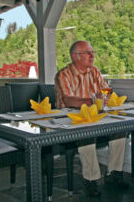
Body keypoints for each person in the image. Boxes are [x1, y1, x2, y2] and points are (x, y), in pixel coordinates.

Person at [55, 40, 128, 197]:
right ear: (75, 56)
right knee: (86, 134)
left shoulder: (94, 71)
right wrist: (91, 101)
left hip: (94, 115)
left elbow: (105, 90)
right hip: (69, 119)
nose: (92, 55)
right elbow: (67, 100)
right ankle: (91, 179)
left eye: (92, 52)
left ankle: (114, 173)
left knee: (120, 130)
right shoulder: (63, 74)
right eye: (88, 52)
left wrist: (106, 94)